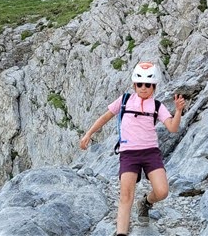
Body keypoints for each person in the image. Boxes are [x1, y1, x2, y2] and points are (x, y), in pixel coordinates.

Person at [79, 61, 185, 236]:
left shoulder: (157, 106)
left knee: (162, 191)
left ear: (154, 86)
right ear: (134, 85)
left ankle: (145, 203)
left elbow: (172, 128)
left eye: (148, 85)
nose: (144, 88)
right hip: (128, 154)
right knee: (126, 196)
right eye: (140, 84)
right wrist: (88, 133)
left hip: (151, 153)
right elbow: (106, 116)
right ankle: (121, 233)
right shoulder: (125, 100)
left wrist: (179, 111)